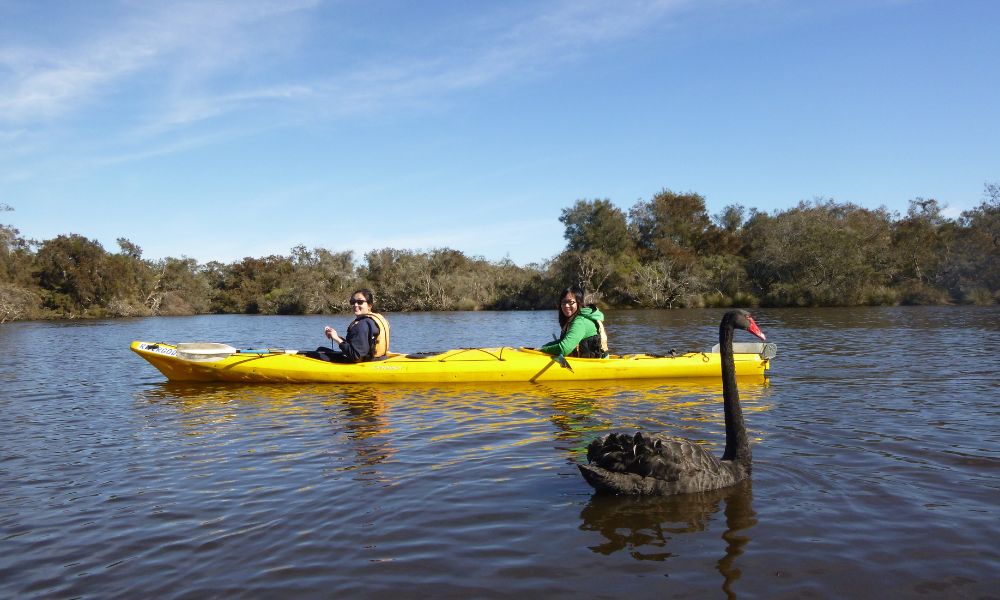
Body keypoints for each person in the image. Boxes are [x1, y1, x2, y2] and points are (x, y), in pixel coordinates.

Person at [308, 289, 391, 362]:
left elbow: (355, 356)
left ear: (369, 305)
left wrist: (336, 339)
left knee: (314, 356)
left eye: (360, 302)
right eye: (353, 302)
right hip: (378, 359)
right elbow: (359, 345)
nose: (355, 305)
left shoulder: (363, 324)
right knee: (321, 350)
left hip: (363, 363)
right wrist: (336, 336)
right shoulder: (373, 320)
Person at [540, 286, 608, 359]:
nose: (566, 305)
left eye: (571, 302)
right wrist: (543, 347)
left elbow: (564, 349)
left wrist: (542, 350)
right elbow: (563, 341)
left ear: (579, 303)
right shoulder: (575, 318)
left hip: (594, 365)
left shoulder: (580, 322)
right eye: (563, 302)